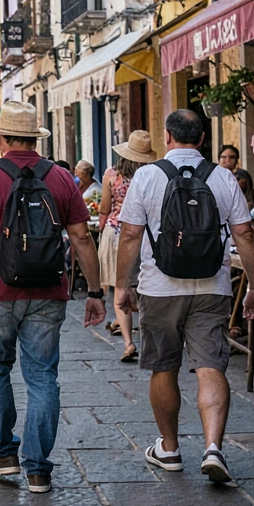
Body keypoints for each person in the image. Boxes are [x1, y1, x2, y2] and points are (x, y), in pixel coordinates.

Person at [0, 100, 106, 495]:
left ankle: (3, 453)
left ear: (0, 137)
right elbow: (82, 237)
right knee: (42, 376)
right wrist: (96, 291)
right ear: (36, 137)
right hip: (49, 290)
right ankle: (38, 469)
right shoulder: (62, 178)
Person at [114, 109, 254, 484]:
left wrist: (121, 285)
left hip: (158, 287)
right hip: (212, 285)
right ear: (201, 139)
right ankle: (213, 447)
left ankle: (169, 448)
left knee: (163, 366)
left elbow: (130, 235)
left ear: (167, 137)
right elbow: (245, 235)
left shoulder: (147, 176)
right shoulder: (223, 176)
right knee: (210, 365)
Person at [99, 131, 157, 361]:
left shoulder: (111, 175)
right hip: (145, 235)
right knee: (146, 288)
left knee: (119, 287)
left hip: (116, 232)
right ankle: (151, 338)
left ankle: (128, 342)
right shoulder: (151, 176)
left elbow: (105, 208)